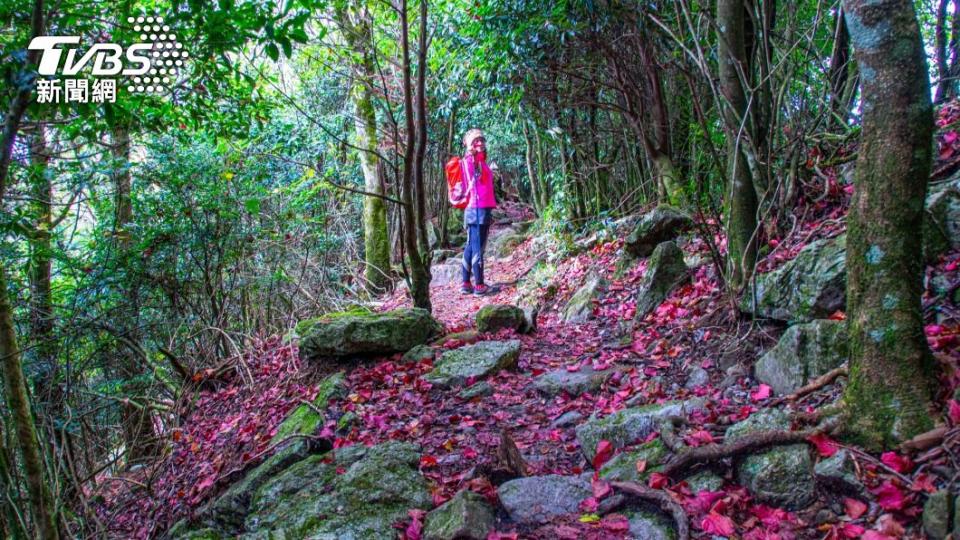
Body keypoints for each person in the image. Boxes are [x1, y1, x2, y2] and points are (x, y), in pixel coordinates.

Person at [460, 128, 497, 295]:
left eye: (482, 140)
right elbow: (471, 181)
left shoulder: (480, 161)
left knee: (470, 246)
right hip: (477, 208)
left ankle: (466, 283)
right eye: (476, 141)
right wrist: (473, 156)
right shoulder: (470, 160)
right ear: (469, 144)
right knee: (477, 247)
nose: (480, 143)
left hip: (479, 207)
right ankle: (479, 286)